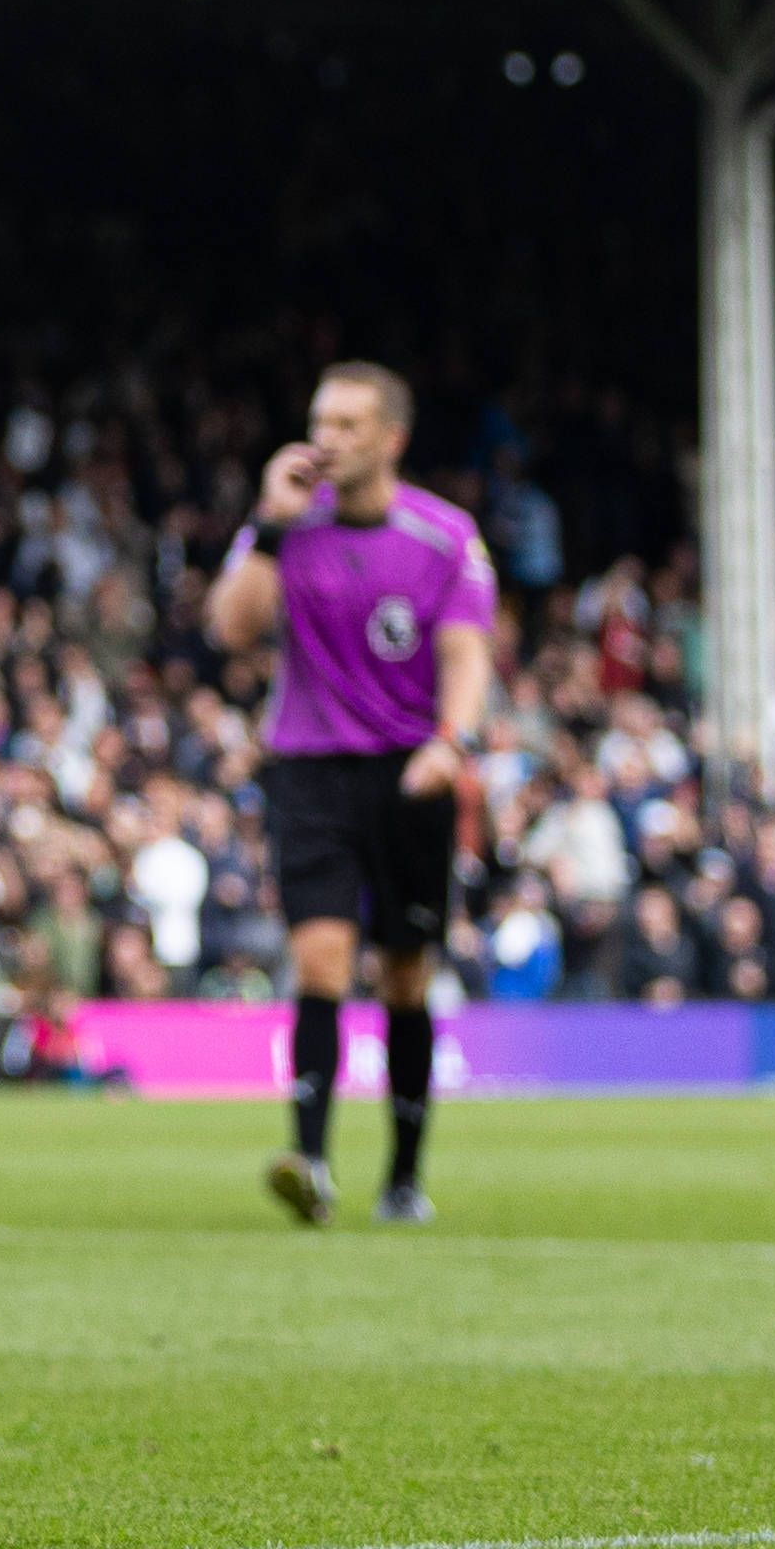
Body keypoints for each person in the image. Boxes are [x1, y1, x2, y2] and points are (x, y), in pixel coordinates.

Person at [201, 361, 494, 1226]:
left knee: (404, 976)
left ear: (389, 440)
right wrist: (267, 524)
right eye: (319, 421)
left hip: (411, 768)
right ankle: (312, 1162)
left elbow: (466, 653)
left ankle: (402, 1177)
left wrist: (452, 742)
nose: (325, 439)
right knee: (320, 958)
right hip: (309, 766)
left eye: (347, 426)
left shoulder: (443, 538)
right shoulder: (283, 527)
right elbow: (231, 627)